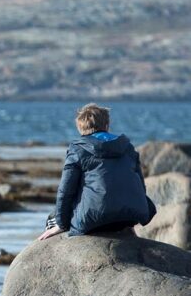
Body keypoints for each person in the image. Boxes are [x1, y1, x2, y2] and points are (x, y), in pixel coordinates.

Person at [38, 103, 155, 241]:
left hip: (95, 219)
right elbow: (140, 186)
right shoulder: (127, 147)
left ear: (81, 128)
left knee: (52, 218)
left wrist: (61, 225)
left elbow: (66, 191)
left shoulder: (78, 149)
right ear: (106, 125)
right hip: (131, 217)